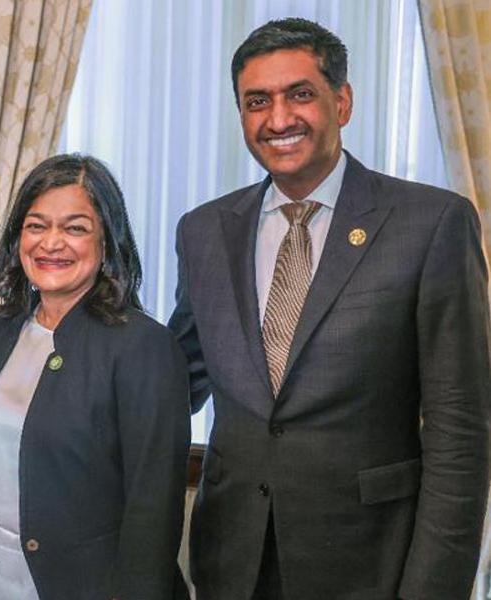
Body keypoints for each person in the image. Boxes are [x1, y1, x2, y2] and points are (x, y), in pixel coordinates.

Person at [167, 17, 491, 599]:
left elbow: (460, 432)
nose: (279, 118)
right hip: (231, 563)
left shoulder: (432, 223)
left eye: (300, 94)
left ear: (342, 102)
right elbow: (174, 381)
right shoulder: (204, 231)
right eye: (256, 101)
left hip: (370, 566)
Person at [0, 154, 190, 600]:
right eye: (36, 225)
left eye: (76, 227)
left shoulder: (143, 346)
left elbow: (153, 512)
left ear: (107, 243)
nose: (51, 243)